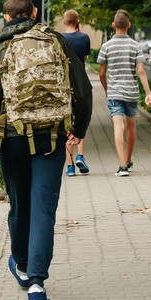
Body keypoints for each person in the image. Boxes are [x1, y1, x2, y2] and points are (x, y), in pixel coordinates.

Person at [0, 0, 92, 300]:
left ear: (5, 16)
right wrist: (78, 130)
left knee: (20, 204)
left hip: (13, 139)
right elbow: (82, 88)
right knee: (43, 208)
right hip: (51, 139)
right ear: (34, 13)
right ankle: (37, 284)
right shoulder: (56, 41)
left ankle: (23, 266)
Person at [96, 9, 151, 177]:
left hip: (114, 93)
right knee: (131, 127)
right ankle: (128, 160)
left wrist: (107, 89)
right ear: (129, 25)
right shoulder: (135, 46)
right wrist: (148, 92)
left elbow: (101, 73)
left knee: (118, 126)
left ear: (113, 25)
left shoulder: (106, 46)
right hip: (131, 93)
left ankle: (122, 166)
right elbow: (141, 71)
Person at [61, 9, 91, 176]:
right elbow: (85, 58)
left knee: (68, 124)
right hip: (82, 84)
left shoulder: (59, 38)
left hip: (65, 85)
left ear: (65, 22)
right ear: (77, 20)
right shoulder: (84, 37)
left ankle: (70, 166)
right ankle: (80, 155)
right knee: (81, 119)